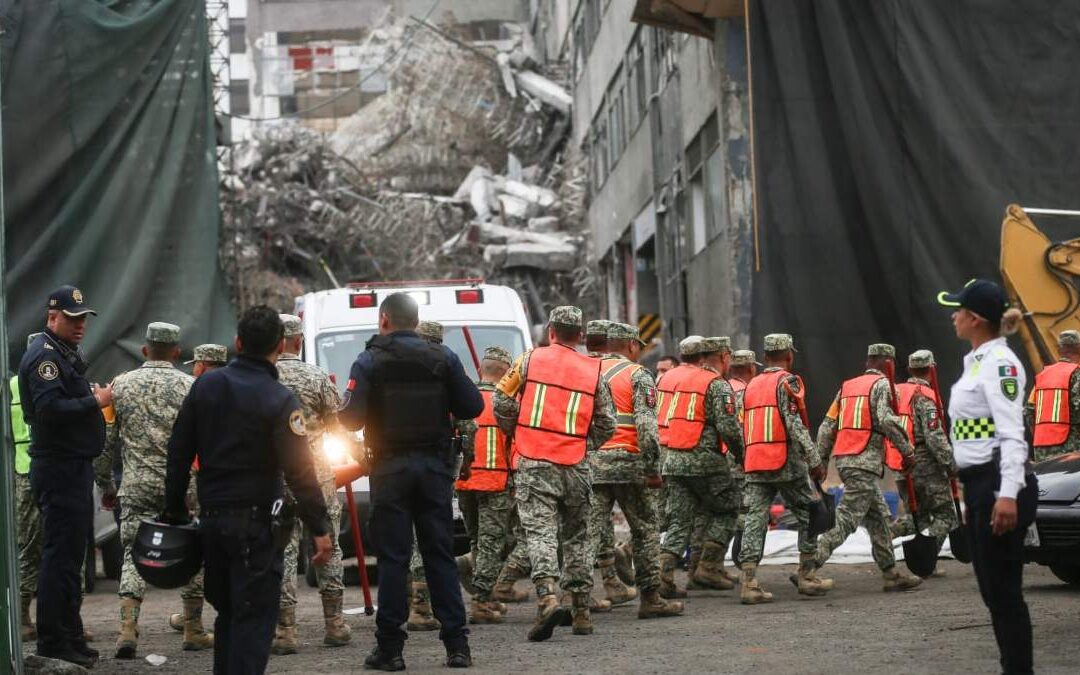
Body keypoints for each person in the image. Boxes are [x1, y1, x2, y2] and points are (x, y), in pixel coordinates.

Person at [164, 305, 333, 675]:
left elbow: (178, 454)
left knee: (228, 615)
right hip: (256, 528)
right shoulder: (279, 400)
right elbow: (300, 471)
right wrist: (319, 528)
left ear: (238, 343)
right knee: (254, 618)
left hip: (212, 523)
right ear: (279, 346)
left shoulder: (205, 386)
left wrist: (174, 511)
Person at [339, 293, 483, 669]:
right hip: (434, 470)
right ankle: (457, 646)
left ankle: (391, 650)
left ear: (384, 319)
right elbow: (472, 406)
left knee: (393, 559)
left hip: (389, 470)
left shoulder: (369, 360)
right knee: (440, 556)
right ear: (416, 322)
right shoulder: (444, 357)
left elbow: (351, 419)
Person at [493, 306, 616, 641]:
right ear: (579, 336)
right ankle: (581, 612)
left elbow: (501, 401)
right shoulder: (594, 371)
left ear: (550, 331)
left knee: (541, 534)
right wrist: (582, 443)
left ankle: (547, 597)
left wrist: (519, 433)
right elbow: (608, 423)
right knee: (578, 537)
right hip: (575, 464)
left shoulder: (529, 360)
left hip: (534, 461)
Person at [95, 323, 211, 659]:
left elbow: (107, 442)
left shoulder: (121, 386)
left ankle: (128, 630)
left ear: (145, 350)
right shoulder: (191, 387)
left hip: (136, 485)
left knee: (133, 552)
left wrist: (106, 484)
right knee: (192, 552)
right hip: (182, 486)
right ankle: (193, 629)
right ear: (177, 352)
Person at [938, 278, 1037, 674]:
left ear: (975, 319)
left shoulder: (1000, 364)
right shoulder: (977, 362)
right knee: (993, 593)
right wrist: (970, 498)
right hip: (981, 485)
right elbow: (972, 435)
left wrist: (1007, 494)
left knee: (1004, 593)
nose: (953, 316)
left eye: (958, 310)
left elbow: (1012, 434)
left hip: (998, 482)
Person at [18, 286, 112, 668]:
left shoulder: (62, 354)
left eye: (83, 319)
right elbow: (50, 409)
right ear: (52, 317)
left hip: (72, 466)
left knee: (72, 560)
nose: (79, 326)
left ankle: (70, 636)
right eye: (72, 319)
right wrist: (96, 401)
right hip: (58, 468)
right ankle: (54, 642)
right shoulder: (44, 357)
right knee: (59, 560)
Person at [589, 322, 683, 619]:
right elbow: (646, 425)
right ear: (630, 345)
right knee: (645, 531)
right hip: (629, 463)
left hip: (591, 463)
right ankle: (651, 599)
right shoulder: (638, 374)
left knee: (588, 531)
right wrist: (653, 468)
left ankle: (577, 598)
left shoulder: (586, 370)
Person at [814, 344, 922, 591]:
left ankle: (890, 573)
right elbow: (886, 420)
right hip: (864, 461)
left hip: (845, 459)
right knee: (847, 518)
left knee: (878, 516)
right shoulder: (883, 385)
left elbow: (827, 426)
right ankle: (808, 565)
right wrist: (907, 451)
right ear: (889, 364)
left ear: (868, 362)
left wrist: (820, 461)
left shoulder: (848, 387)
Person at [271, 314, 349, 654]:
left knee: (283, 552)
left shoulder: (264, 378)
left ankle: (285, 631)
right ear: (298, 341)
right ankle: (334, 624)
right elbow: (336, 425)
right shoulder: (316, 376)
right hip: (317, 475)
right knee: (328, 545)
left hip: (277, 476)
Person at [737, 334, 829, 603]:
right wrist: (814, 460)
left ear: (765, 358)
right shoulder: (788, 381)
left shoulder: (752, 384)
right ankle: (807, 575)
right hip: (783, 459)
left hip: (755, 460)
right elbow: (794, 424)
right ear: (789, 355)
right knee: (808, 514)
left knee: (755, 518)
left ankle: (750, 582)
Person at [656, 336, 744, 596]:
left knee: (680, 521)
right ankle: (708, 566)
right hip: (703, 459)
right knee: (728, 508)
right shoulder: (716, 384)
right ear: (724, 356)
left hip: (671, 458)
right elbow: (729, 428)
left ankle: (663, 576)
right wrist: (742, 455)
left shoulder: (670, 378)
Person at [453, 346, 533, 623]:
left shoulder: (463, 400)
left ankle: (482, 596)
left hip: (464, 482)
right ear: (507, 374)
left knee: (477, 541)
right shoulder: (507, 401)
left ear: (480, 370)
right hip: (496, 481)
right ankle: (482, 602)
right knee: (491, 545)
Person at [888, 349, 957, 570]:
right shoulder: (926, 396)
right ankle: (926, 561)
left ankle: (884, 536)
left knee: (918, 517)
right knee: (946, 516)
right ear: (932, 369)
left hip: (902, 464)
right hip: (926, 466)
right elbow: (934, 436)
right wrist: (950, 464)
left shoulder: (896, 392)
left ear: (909, 369)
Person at [406, 319, 444, 632]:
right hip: (436, 469)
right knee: (431, 539)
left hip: (393, 468)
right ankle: (425, 607)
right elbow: (468, 416)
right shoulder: (446, 368)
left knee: (404, 540)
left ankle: (410, 604)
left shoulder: (391, 364)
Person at [10, 333, 41, 642]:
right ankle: (67, 620)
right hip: (49, 469)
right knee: (64, 549)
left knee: (27, 549)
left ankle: (23, 618)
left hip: (22, 471)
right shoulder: (55, 376)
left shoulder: (11, 386)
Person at [1025, 329, 1080, 462]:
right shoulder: (1076, 373)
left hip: (1041, 451)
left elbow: (1029, 412)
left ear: (1059, 351)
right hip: (1070, 451)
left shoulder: (1043, 376)